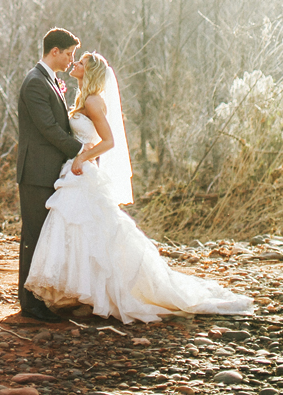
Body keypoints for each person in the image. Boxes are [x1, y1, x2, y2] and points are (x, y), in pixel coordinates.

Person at [25, 52, 254, 324]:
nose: (75, 63)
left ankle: (106, 292)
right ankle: (83, 293)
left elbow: (108, 141)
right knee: (80, 232)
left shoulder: (93, 101)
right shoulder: (83, 98)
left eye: (81, 62)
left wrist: (82, 156)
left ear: (91, 72)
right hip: (76, 172)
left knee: (90, 229)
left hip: (82, 170)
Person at [17, 27, 87, 322]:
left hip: (49, 171)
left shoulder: (50, 80)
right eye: (69, 53)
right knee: (33, 235)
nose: (71, 60)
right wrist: (81, 150)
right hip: (36, 172)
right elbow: (48, 128)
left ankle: (42, 297)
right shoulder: (35, 82)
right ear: (54, 51)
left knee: (46, 236)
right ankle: (30, 304)